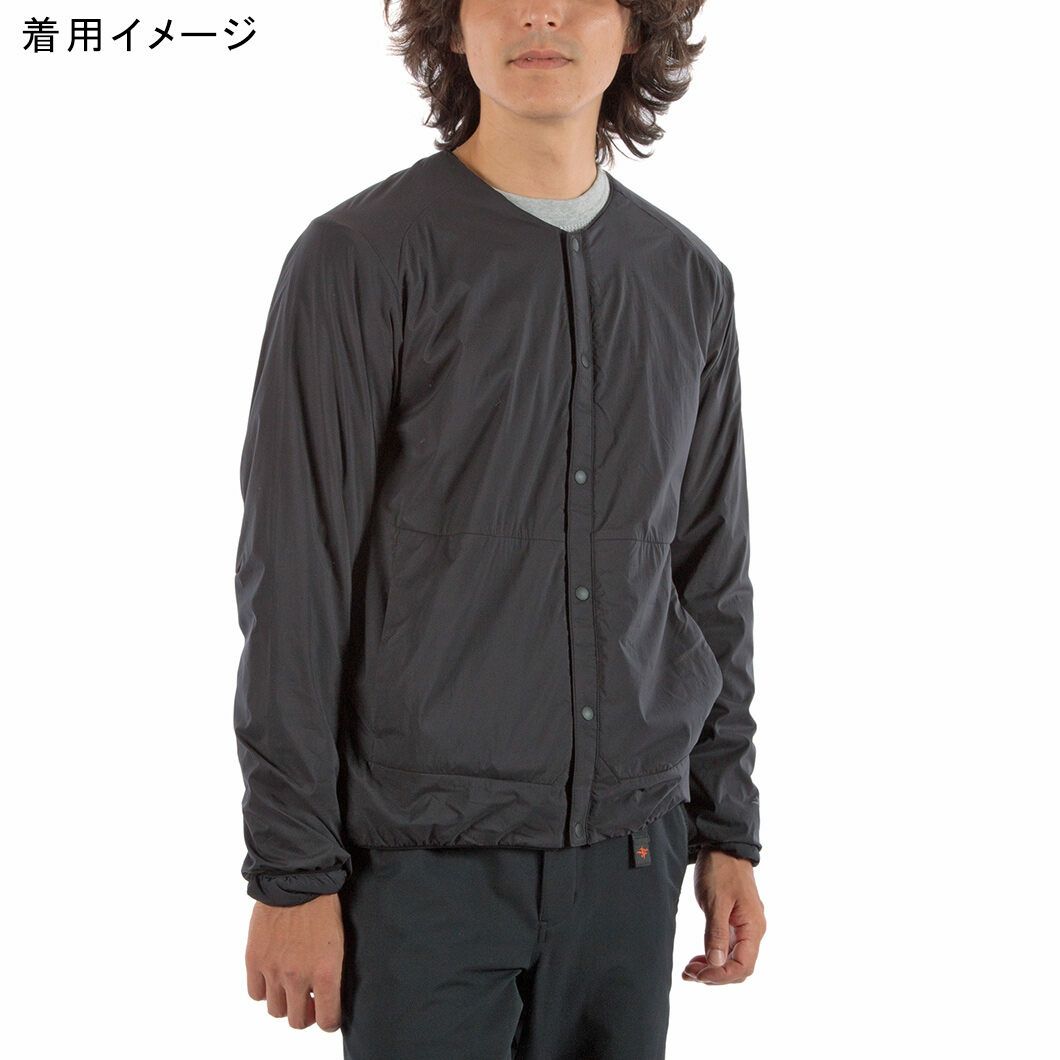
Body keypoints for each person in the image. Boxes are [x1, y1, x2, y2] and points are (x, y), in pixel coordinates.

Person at [232, 2, 767, 1056]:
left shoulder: (687, 280)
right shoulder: (358, 258)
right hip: (419, 867)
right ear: (450, 27)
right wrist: (292, 873)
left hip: (632, 861)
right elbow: (295, 583)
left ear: (635, 29)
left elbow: (709, 576)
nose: (539, 12)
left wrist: (726, 830)